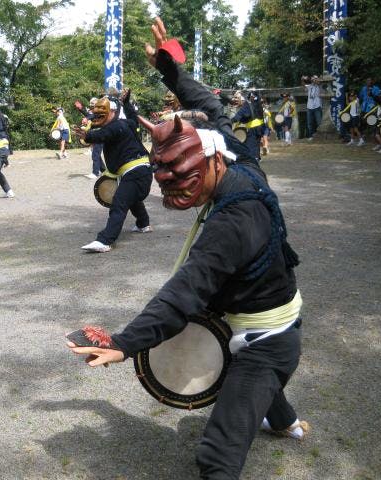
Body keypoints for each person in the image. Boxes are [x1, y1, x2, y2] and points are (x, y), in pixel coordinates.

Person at [67, 18, 307, 479]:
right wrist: (171, 69)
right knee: (249, 366)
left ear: (213, 160)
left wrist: (123, 343)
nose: (180, 190)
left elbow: (184, 295)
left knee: (216, 456)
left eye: (187, 178)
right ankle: (285, 421)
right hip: (267, 316)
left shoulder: (233, 222)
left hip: (268, 342)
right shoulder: (239, 160)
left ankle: (267, 413)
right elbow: (209, 106)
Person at [72, 91, 153, 253]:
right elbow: (133, 117)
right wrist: (127, 103)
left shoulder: (117, 126)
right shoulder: (127, 124)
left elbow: (104, 134)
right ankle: (143, 224)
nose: (98, 117)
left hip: (136, 172)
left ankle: (105, 241)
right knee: (132, 198)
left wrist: (88, 136)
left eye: (103, 113)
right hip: (139, 172)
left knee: (119, 203)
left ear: (113, 112)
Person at [76, 97, 105, 179]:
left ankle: (95, 173)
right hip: (96, 135)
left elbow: (91, 116)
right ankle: (103, 170)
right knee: (97, 154)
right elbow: (89, 115)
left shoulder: (100, 111)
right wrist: (80, 109)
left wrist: (87, 118)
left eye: (92, 104)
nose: (91, 106)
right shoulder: (95, 111)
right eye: (91, 104)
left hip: (99, 135)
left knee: (95, 154)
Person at [231, 90, 264, 161]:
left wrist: (231, 121)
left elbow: (240, 115)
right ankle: (257, 157)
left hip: (253, 128)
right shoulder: (257, 103)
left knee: (250, 144)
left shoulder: (247, 104)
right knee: (256, 143)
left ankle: (254, 159)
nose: (236, 100)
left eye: (237, 98)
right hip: (260, 127)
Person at [303, 75, 322, 140]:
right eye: (313, 79)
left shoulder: (319, 87)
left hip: (317, 106)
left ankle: (320, 135)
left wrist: (317, 80)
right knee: (309, 123)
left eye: (315, 79)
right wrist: (303, 79)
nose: (314, 80)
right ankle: (311, 136)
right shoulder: (309, 86)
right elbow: (303, 86)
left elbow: (320, 82)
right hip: (309, 107)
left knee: (319, 122)